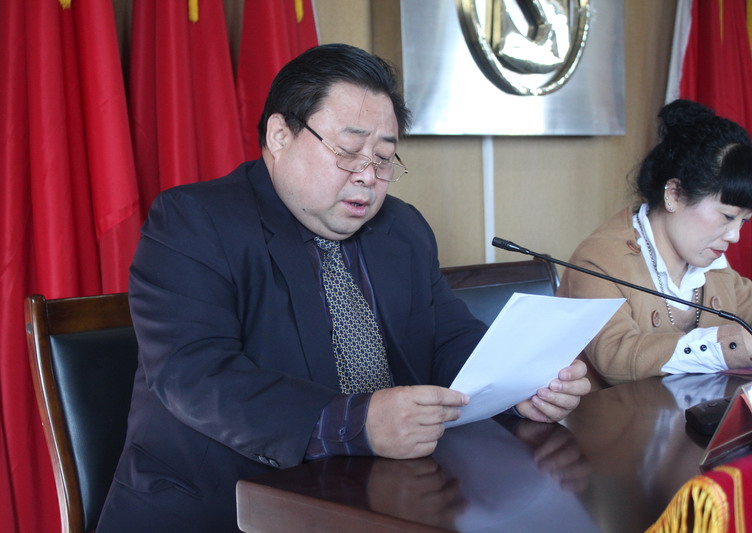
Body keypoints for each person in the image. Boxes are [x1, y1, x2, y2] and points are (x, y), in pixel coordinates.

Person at [97, 43, 589, 532]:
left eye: (384, 157)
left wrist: (519, 385)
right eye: (349, 151)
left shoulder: (401, 228)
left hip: (376, 497)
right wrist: (355, 422)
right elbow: (194, 373)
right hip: (224, 508)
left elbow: (446, 337)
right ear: (280, 135)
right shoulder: (195, 221)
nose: (368, 177)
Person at [557, 99, 752, 388]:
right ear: (674, 194)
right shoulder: (599, 260)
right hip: (607, 416)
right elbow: (616, 356)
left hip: (689, 416)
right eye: (727, 217)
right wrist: (728, 345)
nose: (734, 236)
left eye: (744, 221)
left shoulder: (712, 264)